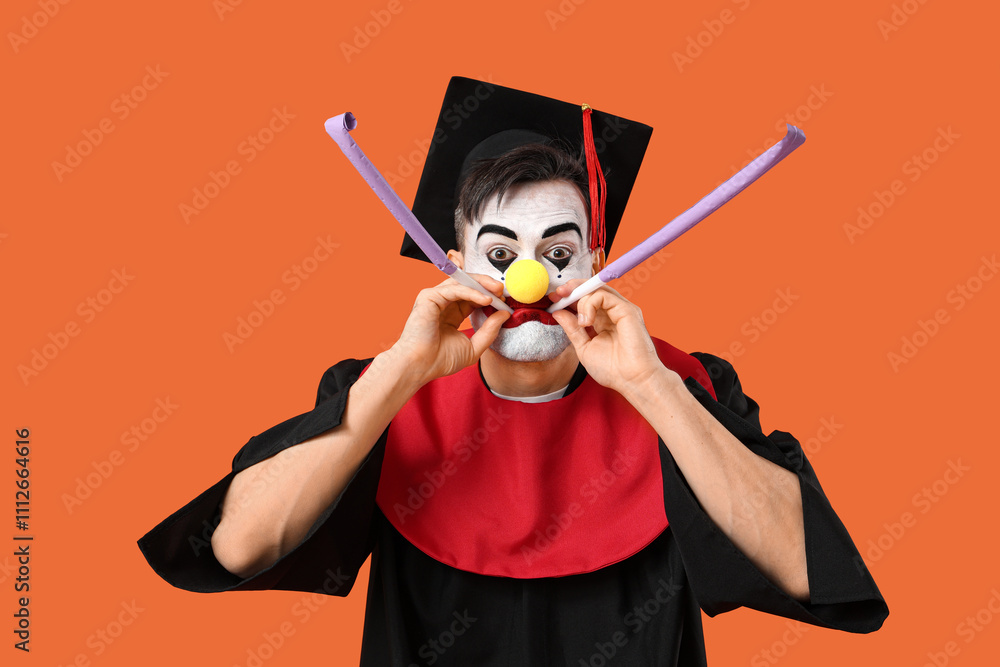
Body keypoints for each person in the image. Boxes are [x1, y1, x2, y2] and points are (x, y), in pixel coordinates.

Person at [138, 77, 888, 665]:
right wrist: (400, 372)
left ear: (598, 265)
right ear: (454, 263)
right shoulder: (379, 389)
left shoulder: (685, 386)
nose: (529, 279)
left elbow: (803, 567)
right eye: (501, 255)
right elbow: (236, 545)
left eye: (558, 254)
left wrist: (652, 388)